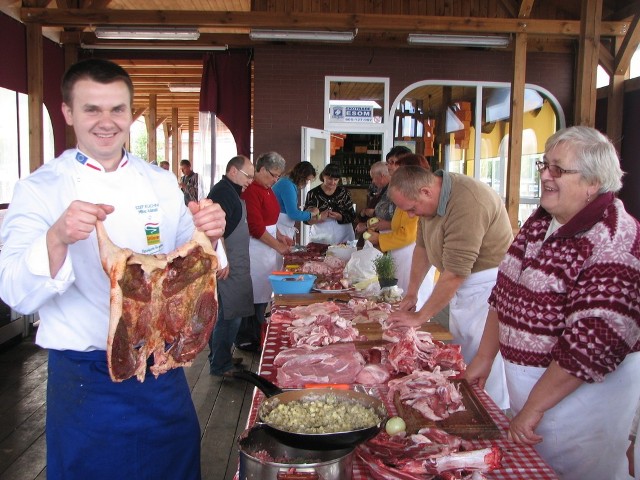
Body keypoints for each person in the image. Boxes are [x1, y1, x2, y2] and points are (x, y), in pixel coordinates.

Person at [0, 58, 226, 479]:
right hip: (85, 379)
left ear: (130, 112)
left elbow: (191, 269)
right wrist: (57, 238)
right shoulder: (39, 189)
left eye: (117, 109)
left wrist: (210, 233)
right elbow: (15, 291)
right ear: (68, 113)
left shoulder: (159, 182)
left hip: (162, 370)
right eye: (92, 109)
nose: (106, 122)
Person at [465, 126, 640, 480]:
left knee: (578, 470)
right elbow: (505, 291)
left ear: (593, 183)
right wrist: (484, 358)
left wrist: (533, 407)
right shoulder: (543, 219)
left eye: (558, 169)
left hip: (581, 397)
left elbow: (590, 346)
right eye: (544, 165)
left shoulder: (614, 241)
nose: (545, 174)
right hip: (534, 386)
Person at [386, 164, 511, 410]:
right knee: (463, 351)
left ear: (425, 192)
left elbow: (455, 274)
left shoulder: (468, 203)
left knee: (486, 360)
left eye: (412, 209)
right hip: (465, 284)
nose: (411, 216)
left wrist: (421, 315)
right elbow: (421, 248)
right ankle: (460, 403)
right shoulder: (428, 207)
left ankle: (492, 416)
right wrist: (412, 293)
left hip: (488, 285)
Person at [236, 151, 291, 352]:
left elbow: (270, 221)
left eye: (278, 176)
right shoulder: (251, 192)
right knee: (254, 297)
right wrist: (280, 247)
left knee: (264, 296)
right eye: (273, 175)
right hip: (256, 250)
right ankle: (247, 339)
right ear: (260, 169)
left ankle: (258, 335)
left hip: (268, 249)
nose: (275, 180)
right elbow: (256, 228)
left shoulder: (267, 190)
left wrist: (280, 237)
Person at [207, 155, 255, 377]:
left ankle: (221, 356)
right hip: (228, 266)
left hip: (234, 261)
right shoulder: (223, 192)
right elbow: (216, 230)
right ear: (233, 171)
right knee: (228, 316)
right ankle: (221, 365)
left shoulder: (231, 191)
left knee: (229, 314)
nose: (250, 181)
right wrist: (222, 260)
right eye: (248, 176)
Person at [365, 154, 436, 304]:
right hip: (400, 253)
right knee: (400, 297)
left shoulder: (416, 197)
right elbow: (399, 224)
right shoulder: (406, 194)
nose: (390, 168)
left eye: (395, 167)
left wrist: (379, 239)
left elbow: (409, 233)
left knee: (415, 298)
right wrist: (385, 225)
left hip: (411, 253)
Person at [304, 163, 356, 244]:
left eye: (336, 180)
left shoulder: (344, 192)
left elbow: (352, 215)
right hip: (321, 234)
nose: (332, 182)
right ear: (323, 176)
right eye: (330, 179)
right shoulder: (313, 194)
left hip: (344, 233)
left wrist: (340, 217)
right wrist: (319, 217)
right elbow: (305, 219)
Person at [272, 160, 319, 242]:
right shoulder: (287, 185)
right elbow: (293, 214)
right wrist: (312, 214)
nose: (307, 183)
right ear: (301, 177)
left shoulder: (286, 182)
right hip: (280, 227)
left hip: (281, 226)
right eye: (307, 180)